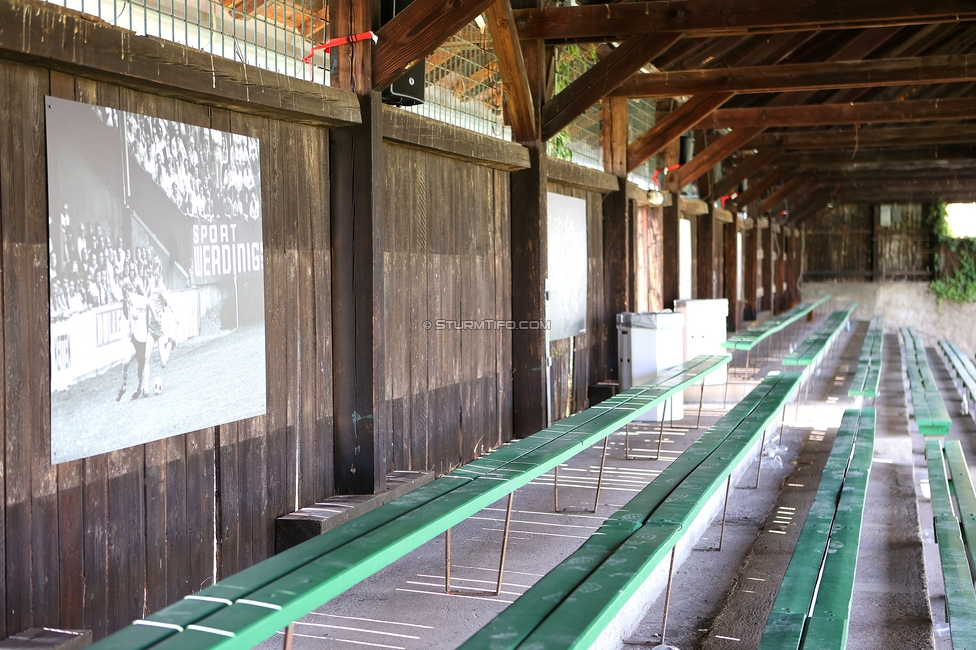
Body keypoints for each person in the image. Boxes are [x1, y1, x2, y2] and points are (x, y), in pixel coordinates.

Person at [116, 279, 151, 400]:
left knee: (140, 368)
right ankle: (124, 387)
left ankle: (140, 388)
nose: (127, 298)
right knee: (125, 362)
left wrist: (141, 314)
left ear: (131, 291)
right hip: (135, 339)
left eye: (128, 295)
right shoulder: (128, 302)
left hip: (143, 340)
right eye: (126, 296)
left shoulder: (138, 300)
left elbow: (147, 302)